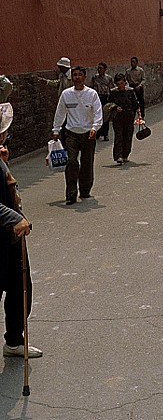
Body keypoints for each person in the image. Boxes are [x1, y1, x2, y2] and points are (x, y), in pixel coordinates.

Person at [0, 103, 42, 358]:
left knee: (19, 288)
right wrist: (13, 217)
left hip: (11, 239)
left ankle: (14, 340)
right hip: (2, 237)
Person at [52, 66, 103, 205]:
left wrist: (95, 127)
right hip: (71, 134)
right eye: (74, 75)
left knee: (87, 163)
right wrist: (56, 130)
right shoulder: (66, 94)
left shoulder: (91, 94)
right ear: (72, 77)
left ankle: (85, 190)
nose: (77, 77)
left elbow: (98, 112)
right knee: (72, 162)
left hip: (88, 134)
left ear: (84, 77)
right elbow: (60, 112)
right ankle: (71, 194)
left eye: (80, 74)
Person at [37, 57, 73, 147]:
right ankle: (65, 144)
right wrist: (46, 82)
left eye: (60, 66)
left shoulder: (72, 76)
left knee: (70, 123)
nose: (59, 68)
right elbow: (57, 83)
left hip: (72, 104)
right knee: (63, 123)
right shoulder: (62, 75)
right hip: (63, 102)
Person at [110, 73, 141, 164]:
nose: (120, 86)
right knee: (119, 136)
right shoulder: (113, 92)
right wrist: (115, 107)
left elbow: (135, 103)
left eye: (122, 83)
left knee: (128, 136)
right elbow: (108, 104)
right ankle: (118, 156)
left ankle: (125, 155)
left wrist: (139, 114)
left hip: (129, 115)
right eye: (118, 84)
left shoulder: (130, 91)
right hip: (117, 117)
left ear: (125, 82)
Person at [90, 62, 114, 141]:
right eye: (99, 68)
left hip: (105, 97)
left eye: (101, 68)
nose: (99, 70)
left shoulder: (108, 78)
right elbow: (91, 87)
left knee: (105, 116)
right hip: (97, 97)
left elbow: (111, 88)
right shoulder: (94, 78)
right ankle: (98, 133)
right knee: (97, 116)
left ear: (105, 69)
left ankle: (105, 134)